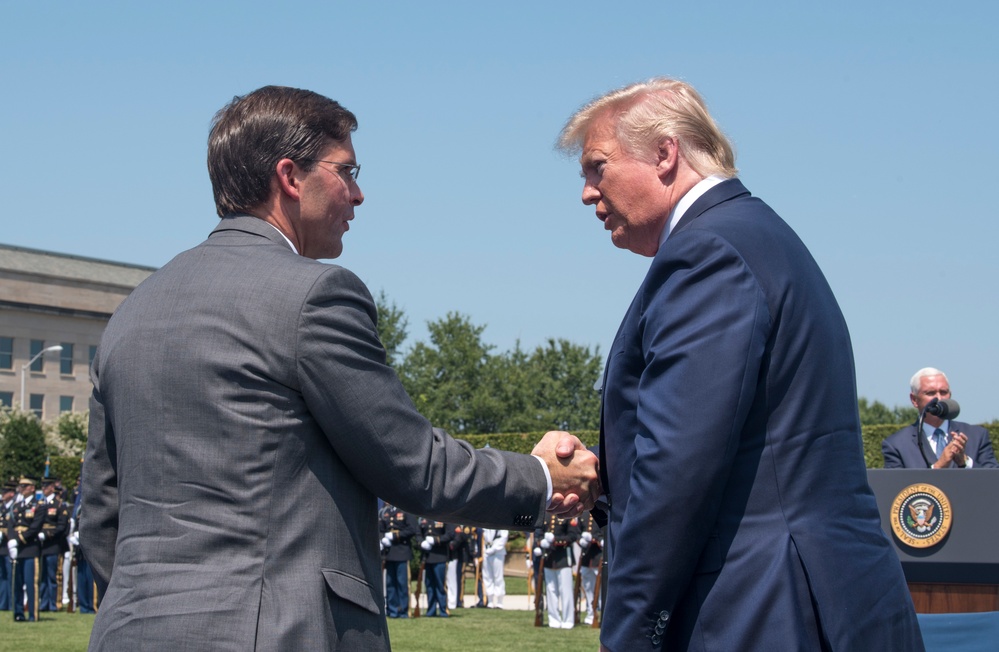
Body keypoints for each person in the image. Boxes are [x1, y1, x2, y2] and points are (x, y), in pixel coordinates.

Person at [80, 85, 599, 651]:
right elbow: (411, 464)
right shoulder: (313, 295)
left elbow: (102, 512)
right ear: (290, 176)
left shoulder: (132, 312)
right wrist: (542, 477)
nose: (358, 194)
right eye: (347, 171)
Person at [556, 77, 923, 651]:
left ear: (664, 153)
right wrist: (611, 471)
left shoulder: (707, 254)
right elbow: (747, 443)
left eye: (596, 166)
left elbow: (677, 474)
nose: (585, 192)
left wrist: (629, 636)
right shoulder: (754, 237)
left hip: (762, 612)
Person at [882, 368, 998, 469]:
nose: (939, 398)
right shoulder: (896, 444)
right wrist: (938, 467)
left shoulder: (977, 436)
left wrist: (965, 462)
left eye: (943, 392)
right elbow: (897, 489)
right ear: (914, 400)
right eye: (931, 393)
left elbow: (993, 481)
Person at [8, 476, 45, 622]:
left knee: (31, 584)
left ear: (32, 488)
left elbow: (35, 527)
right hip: (17, 549)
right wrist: (11, 541)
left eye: (24, 486)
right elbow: (11, 524)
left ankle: (33, 614)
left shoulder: (39, 505)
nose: (21, 489)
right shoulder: (16, 506)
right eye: (20, 486)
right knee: (16, 583)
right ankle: (18, 613)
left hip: (30, 549)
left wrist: (18, 540)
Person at [536, 513, 579, 629]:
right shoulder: (545, 515)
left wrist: (556, 540)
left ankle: (568, 620)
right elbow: (539, 534)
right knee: (551, 591)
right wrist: (541, 542)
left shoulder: (568, 515)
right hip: (549, 558)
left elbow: (572, 536)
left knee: (566, 591)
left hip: (564, 558)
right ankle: (553, 619)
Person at [38, 476, 70, 612]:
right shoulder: (40, 504)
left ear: (52, 487)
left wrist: (47, 534)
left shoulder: (59, 505)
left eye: (46, 487)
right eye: (42, 486)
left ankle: (54, 603)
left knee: (53, 576)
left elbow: (61, 527)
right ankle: (44, 603)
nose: (43, 489)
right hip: (41, 546)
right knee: (42, 577)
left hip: (53, 545)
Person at [417, 517, 453, 617]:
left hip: (440, 556)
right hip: (427, 557)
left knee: (440, 585)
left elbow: (450, 534)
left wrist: (436, 540)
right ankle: (431, 610)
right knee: (429, 585)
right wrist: (421, 542)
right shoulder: (423, 516)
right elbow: (418, 533)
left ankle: (443, 610)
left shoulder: (444, 515)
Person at [576, 510, 603, 626]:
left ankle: (600, 612)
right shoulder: (583, 514)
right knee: (587, 587)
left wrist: (598, 539)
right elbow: (576, 532)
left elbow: (605, 531)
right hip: (586, 557)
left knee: (600, 588)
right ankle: (590, 613)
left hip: (599, 556)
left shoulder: (601, 513)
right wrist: (581, 540)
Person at [479, 527, 508, 608]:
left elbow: (503, 538)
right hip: (486, 552)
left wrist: (493, 549)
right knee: (488, 577)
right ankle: (490, 600)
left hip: (498, 552)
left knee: (498, 577)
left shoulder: (502, 524)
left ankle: (499, 601)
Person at [0, 479, 16, 611]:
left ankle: (11, 603)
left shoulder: (14, 508)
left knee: (11, 577)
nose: (3, 494)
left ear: (11, 493)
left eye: (5, 492)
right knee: (2, 577)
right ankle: (3, 603)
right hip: (1, 547)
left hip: (9, 546)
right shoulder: (2, 507)